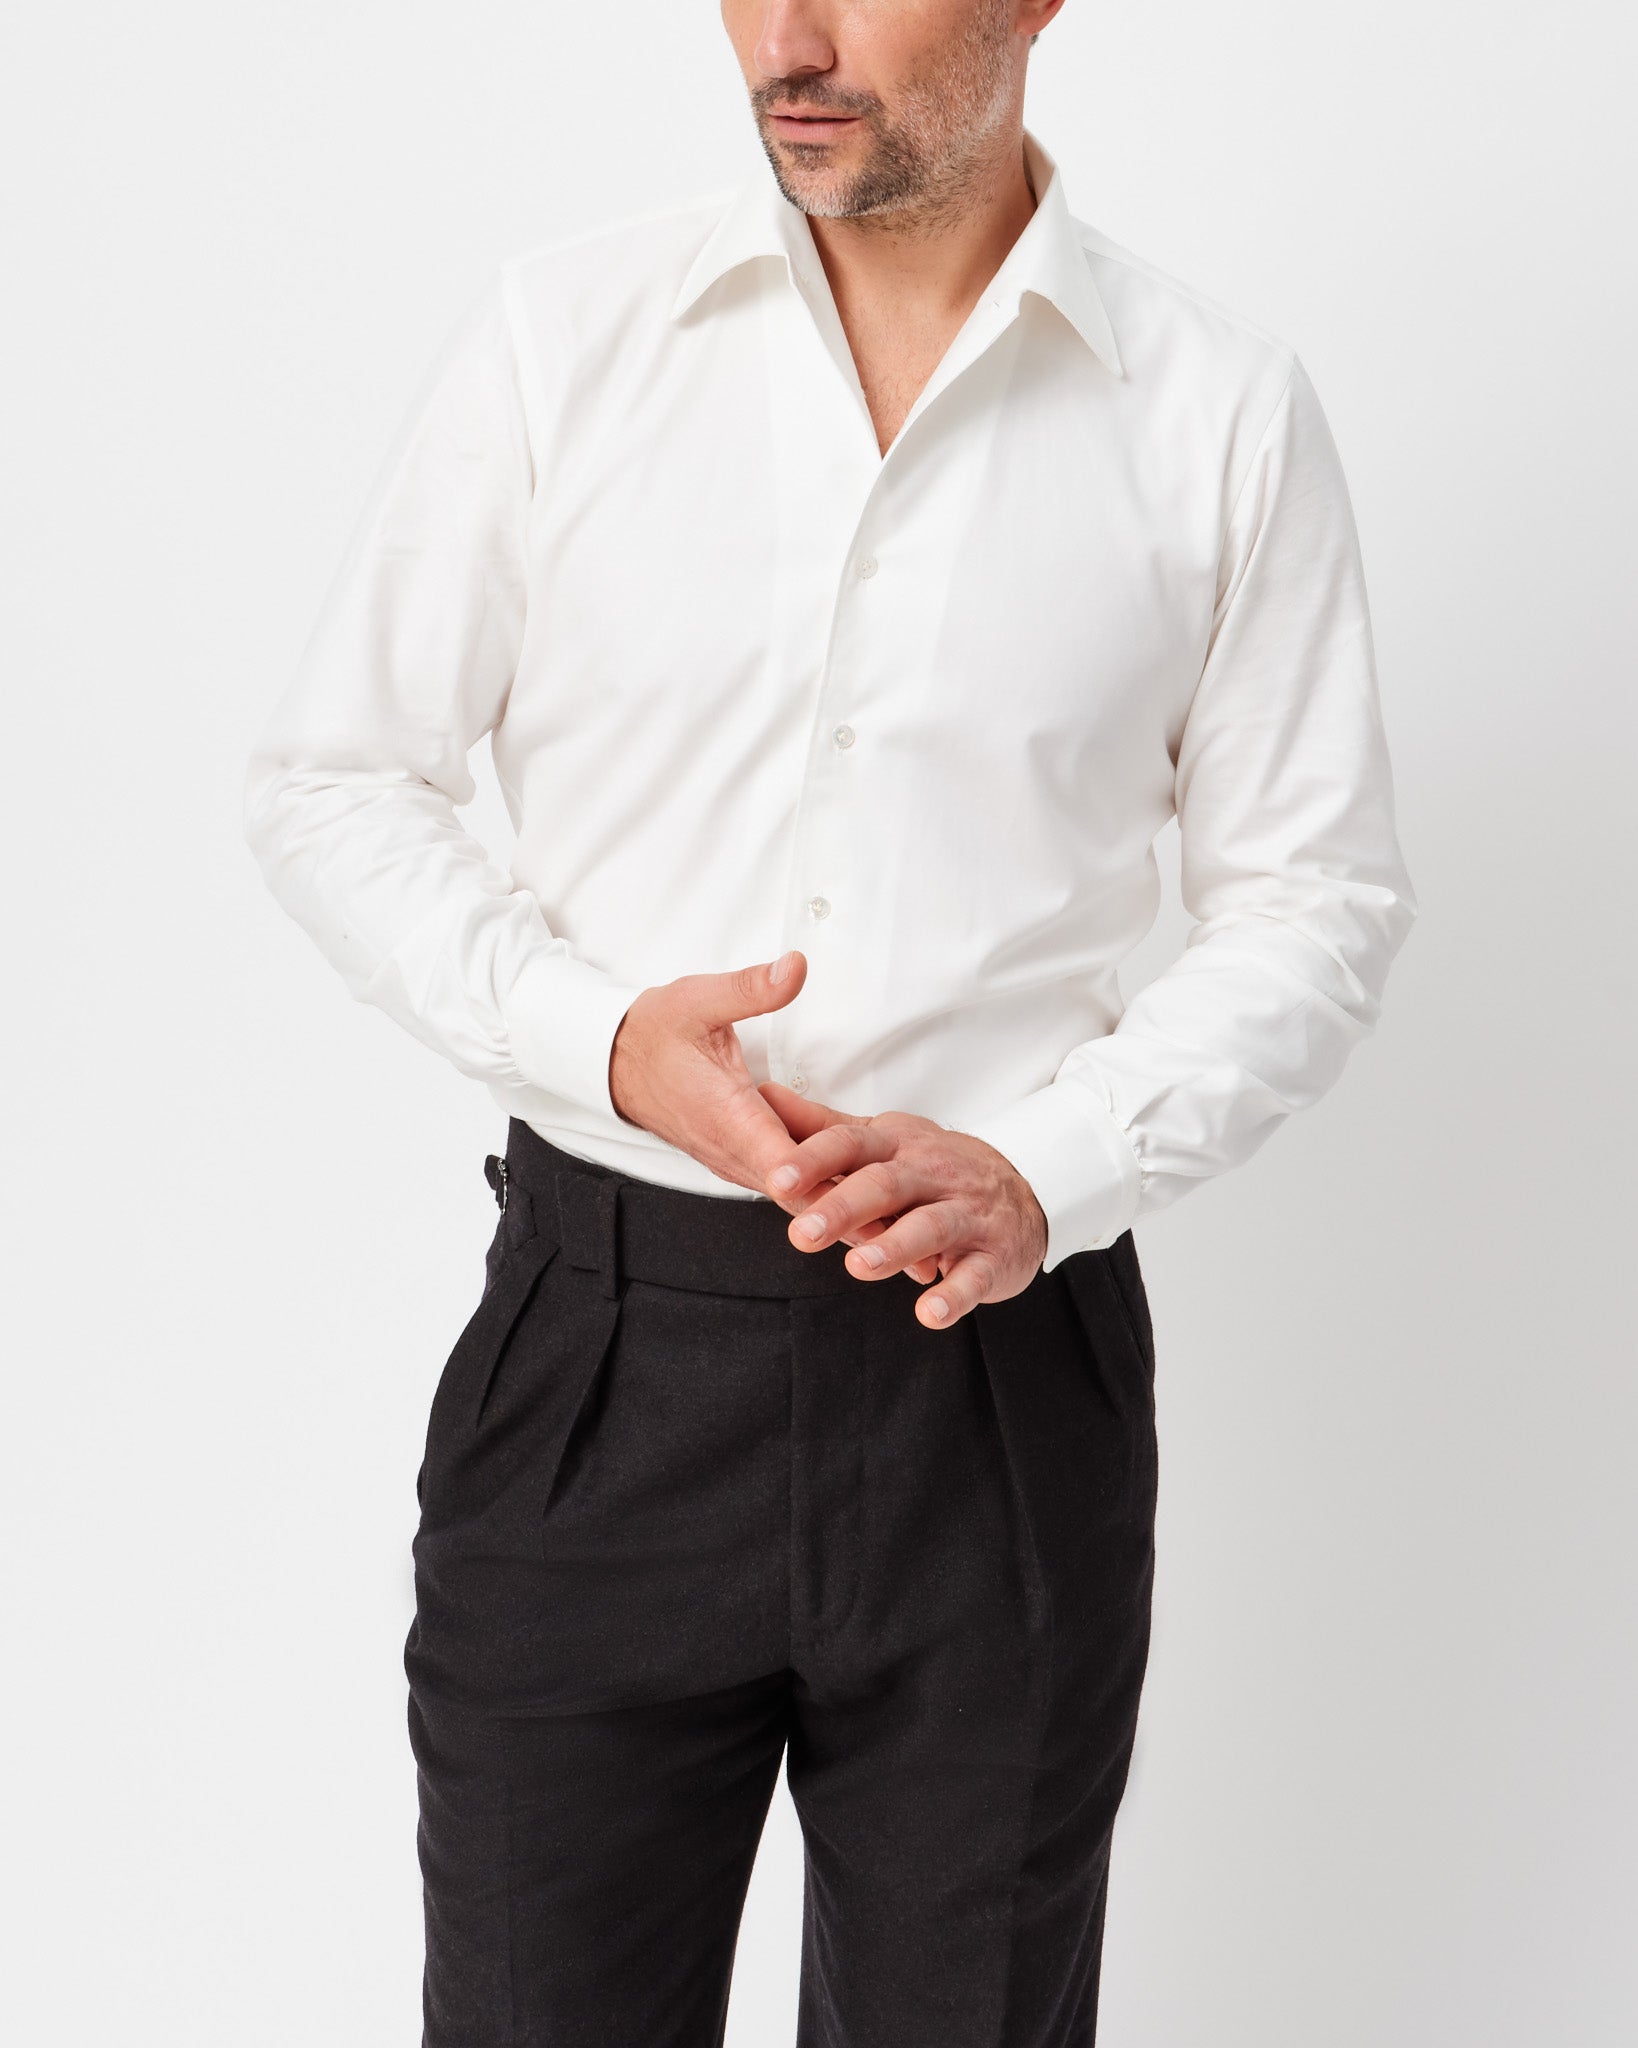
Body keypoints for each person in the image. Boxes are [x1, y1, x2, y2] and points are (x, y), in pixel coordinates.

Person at [242, 1, 1417, 2040]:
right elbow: (336, 779)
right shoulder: (564, 340)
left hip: (998, 1385)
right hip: (602, 1359)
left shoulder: (1215, 409)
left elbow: (1317, 895)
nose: (786, 37)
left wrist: (1050, 1164)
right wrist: (601, 1037)